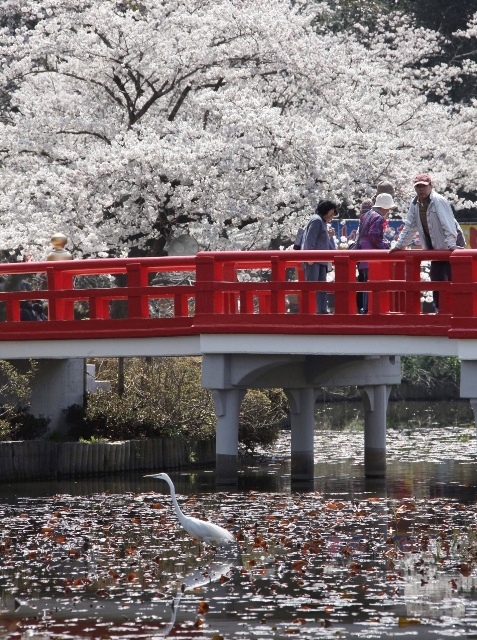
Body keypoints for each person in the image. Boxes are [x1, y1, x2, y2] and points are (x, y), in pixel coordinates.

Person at [389, 173, 465, 312]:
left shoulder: (438, 201)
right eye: (418, 187)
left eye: (424, 186)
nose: (421, 189)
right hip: (436, 245)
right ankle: (440, 308)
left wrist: (452, 246)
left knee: (454, 277)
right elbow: (410, 226)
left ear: (431, 186)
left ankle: (459, 309)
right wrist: (399, 245)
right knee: (436, 277)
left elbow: (448, 225)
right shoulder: (415, 203)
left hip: (451, 241)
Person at [356, 192, 396, 314]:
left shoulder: (367, 215)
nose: (388, 210)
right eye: (388, 208)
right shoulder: (378, 217)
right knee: (370, 283)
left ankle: (363, 309)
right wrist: (385, 246)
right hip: (371, 253)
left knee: (364, 283)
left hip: (362, 251)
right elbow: (374, 236)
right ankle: (367, 309)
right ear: (384, 206)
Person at [301, 199, 338, 314]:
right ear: (325, 211)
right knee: (312, 286)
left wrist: (330, 236)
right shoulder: (316, 220)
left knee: (321, 287)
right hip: (314, 259)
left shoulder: (322, 222)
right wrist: (309, 256)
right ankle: (310, 311)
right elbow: (309, 239)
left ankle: (322, 310)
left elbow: (325, 243)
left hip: (321, 260)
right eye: (331, 214)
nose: (332, 217)